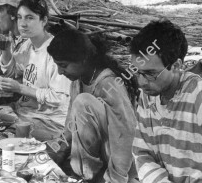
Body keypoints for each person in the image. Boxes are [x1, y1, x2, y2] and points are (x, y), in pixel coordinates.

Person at [130, 19, 202, 183]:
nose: (141, 82)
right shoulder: (148, 95)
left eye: (150, 73)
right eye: (137, 72)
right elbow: (142, 153)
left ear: (177, 65)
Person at [47, 29, 138, 183]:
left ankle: (95, 177)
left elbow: (125, 135)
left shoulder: (108, 83)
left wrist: (116, 178)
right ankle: (87, 175)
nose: (60, 72)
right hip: (98, 163)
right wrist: (57, 150)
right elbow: (71, 127)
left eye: (63, 65)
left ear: (83, 59)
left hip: (119, 166)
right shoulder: (77, 81)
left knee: (83, 102)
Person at [0, 0, 71, 137]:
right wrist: (5, 51)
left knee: (0, 135)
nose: (23, 24)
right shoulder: (28, 44)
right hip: (26, 112)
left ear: (44, 21)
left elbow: (60, 98)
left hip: (49, 121)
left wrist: (20, 88)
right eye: (20, 17)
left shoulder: (55, 51)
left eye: (29, 18)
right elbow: (12, 73)